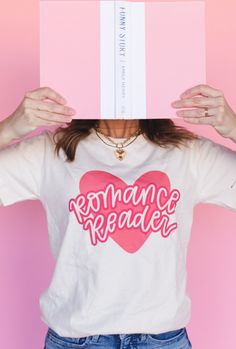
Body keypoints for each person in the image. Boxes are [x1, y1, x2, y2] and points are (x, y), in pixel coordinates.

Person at [0, 84, 236, 349]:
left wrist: (233, 126)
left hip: (162, 340)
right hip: (76, 339)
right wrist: (9, 128)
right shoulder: (51, 151)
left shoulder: (188, 152)